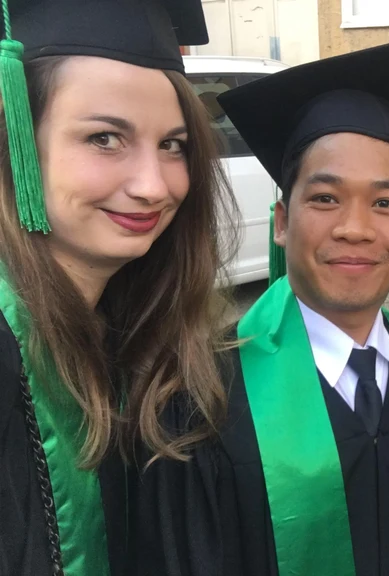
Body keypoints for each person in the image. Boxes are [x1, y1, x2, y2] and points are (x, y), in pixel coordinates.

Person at [133, 40, 389, 576]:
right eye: (325, 199)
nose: (354, 228)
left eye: (385, 203)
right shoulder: (202, 398)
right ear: (282, 222)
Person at [0, 1, 238, 574]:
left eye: (173, 145)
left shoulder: (144, 330)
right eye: (105, 138)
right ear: (17, 142)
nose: (154, 186)